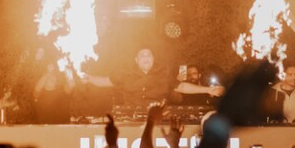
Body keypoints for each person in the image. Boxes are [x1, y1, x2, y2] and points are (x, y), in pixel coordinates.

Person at [87, 48, 223, 108]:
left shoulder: (163, 76)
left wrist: (208, 90)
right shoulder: (125, 75)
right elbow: (105, 81)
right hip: (130, 124)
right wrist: (88, 78)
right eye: (142, 55)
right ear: (136, 60)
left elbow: (182, 87)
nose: (146, 58)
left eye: (149, 55)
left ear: (153, 59)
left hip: (158, 122)